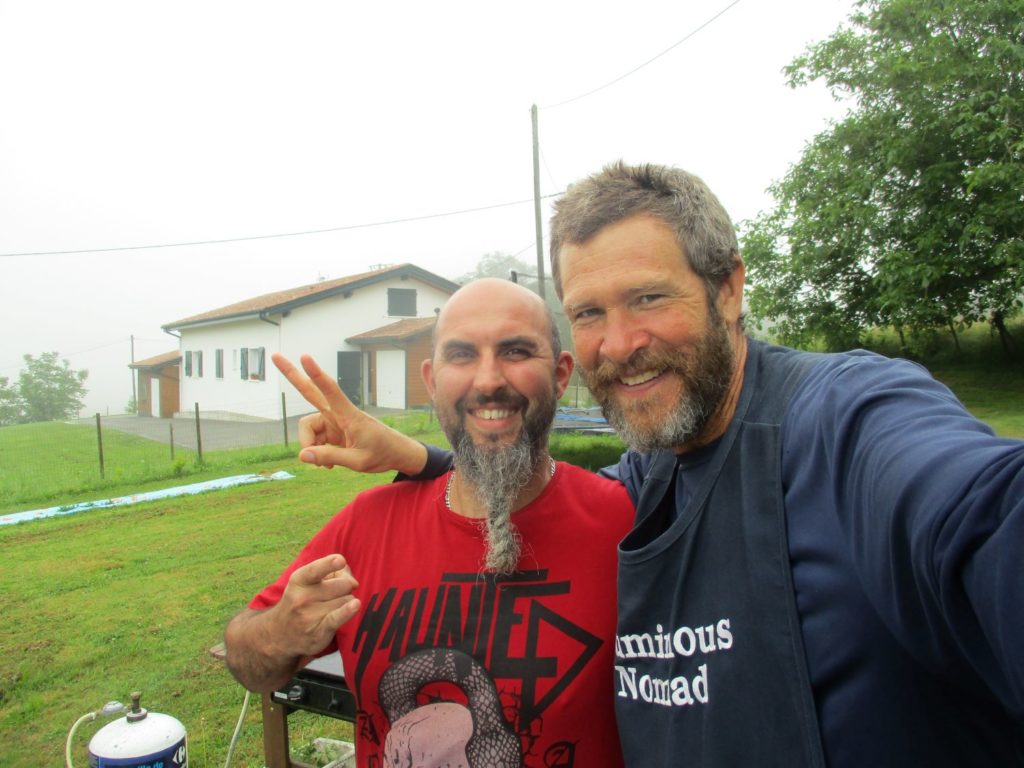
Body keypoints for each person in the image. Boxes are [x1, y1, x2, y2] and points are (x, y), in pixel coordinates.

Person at [292, 163, 1024, 767]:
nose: (619, 344)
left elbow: (981, 512)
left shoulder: (846, 421)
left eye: (647, 298)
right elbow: (550, 492)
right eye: (589, 312)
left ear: (727, 289)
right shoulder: (651, 477)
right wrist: (422, 457)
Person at [223, 278, 634, 768]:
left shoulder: (625, 526)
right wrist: (279, 632)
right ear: (432, 380)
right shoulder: (366, 526)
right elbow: (248, 663)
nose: (487, 380)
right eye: (461, 355)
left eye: (516, 351)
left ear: (561, 374)